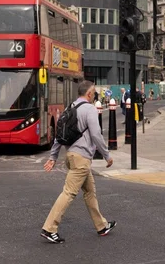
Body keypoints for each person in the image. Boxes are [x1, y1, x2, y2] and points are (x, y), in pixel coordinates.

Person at [41, 81, 115, 244]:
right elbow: (96, 134)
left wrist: (53, 156)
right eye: (94, 92)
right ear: (89, 94)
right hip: (81, 159)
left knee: (90, 191)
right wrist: (107, 155)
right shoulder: (89, 109)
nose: (95, 94)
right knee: (68, 193)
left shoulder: (70, 107)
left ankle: (101, 225)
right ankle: (49, 228)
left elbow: (59, 135)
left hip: (72, 156)